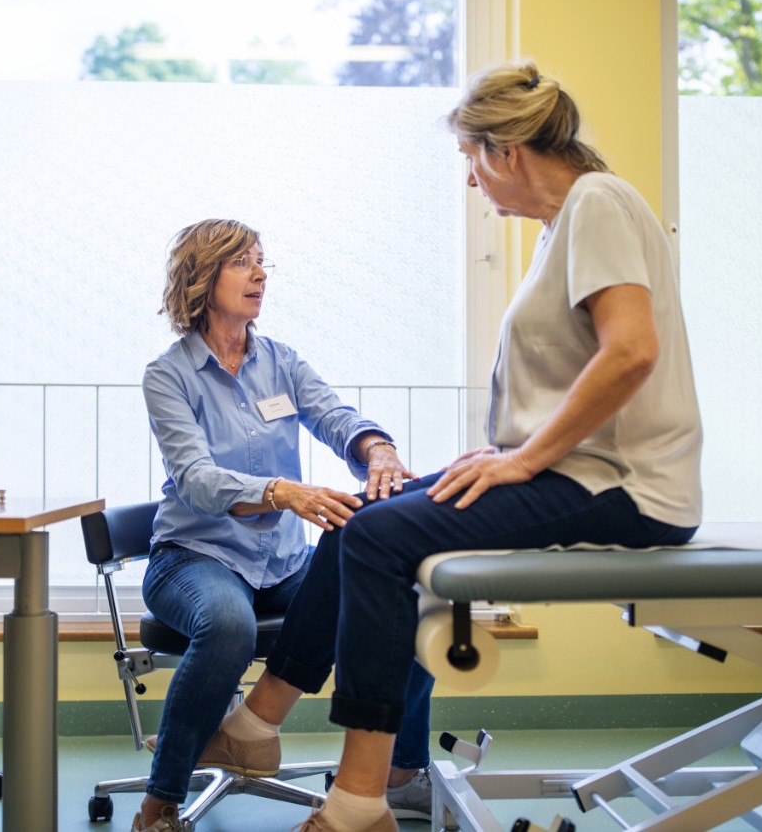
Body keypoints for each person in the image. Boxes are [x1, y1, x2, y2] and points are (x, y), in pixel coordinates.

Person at [203, 59, 705, 832]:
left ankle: (355, 796)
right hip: (581, 470)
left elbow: (631, 351)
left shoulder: (597, 202)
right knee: (366, 509)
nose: (472, 182)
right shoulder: (565, 225)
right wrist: (504, 452)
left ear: (505, 150)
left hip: (625, 488)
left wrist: (525, 457)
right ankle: (262, 723)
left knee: (375, 536)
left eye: (471, 160)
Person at [133, 218, 438, 832]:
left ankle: (401, 774)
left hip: (282, 563)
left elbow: (334, 416)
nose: (261, 274)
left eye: (262, 261)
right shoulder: (168, 376)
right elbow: (195, 478)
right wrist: (280, 492)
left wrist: (376, 448)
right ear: (201, 277)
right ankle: (160, 801)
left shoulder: (281, 363)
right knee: (226, 624)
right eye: (243, 262)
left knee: (403, 599)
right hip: (194, 557)